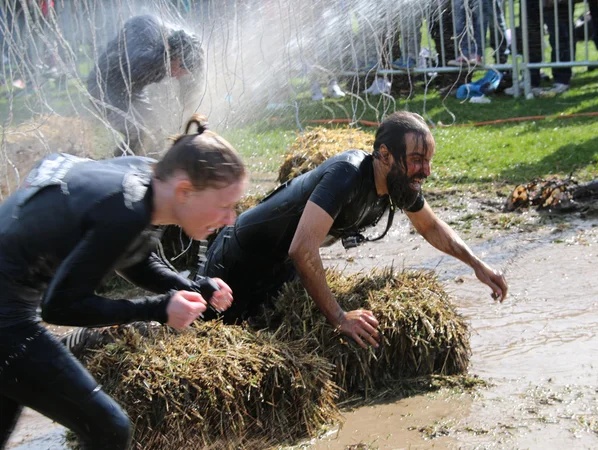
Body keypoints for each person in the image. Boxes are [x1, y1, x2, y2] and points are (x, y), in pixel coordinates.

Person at [0, 115, 246, 450]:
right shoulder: (128, 208)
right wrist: (159, 309)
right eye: (225, 207)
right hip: (7, 319)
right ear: (185, 190)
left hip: (10, 308)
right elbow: (60, 306)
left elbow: (136, 257)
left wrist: (192, 288)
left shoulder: (144, 179)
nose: (230, 218)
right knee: (110, 429)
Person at [199, 111, 508, 349]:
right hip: (238, 263)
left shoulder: (400, 184)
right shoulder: (347, 174)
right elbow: (302, 249)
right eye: (416, 160)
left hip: (282, 273)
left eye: (428, 161)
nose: (425, 171)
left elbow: (430, 226)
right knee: (206, 337)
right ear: (385, 155)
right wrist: (339, 318)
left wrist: (477, 265)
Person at [87, 14, 204, 156]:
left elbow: (187, 84)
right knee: (138, 133)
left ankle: (152, 170)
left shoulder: (171, 53)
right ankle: (113, 168)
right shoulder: (147, 58)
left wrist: (185, 108)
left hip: (133, 90)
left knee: (156, 134)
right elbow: (138, 27)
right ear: (173, 55)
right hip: (104, 86)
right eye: (180, 69)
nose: (178, 76)